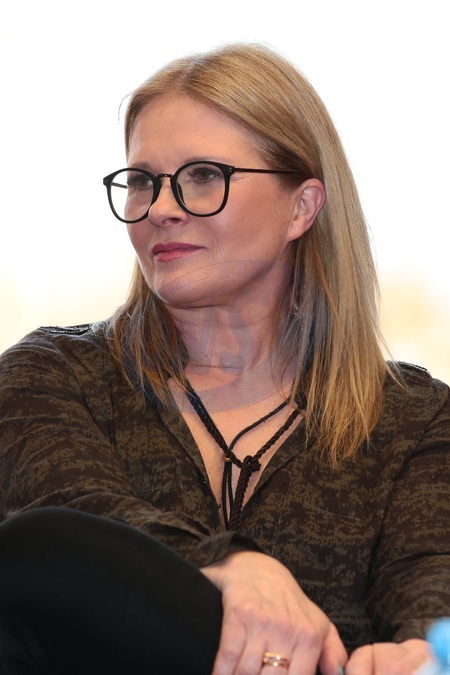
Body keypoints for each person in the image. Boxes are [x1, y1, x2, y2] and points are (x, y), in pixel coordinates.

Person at [0, 42, 448, 675]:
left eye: (204, 176)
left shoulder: (417, 418)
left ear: (302, 207)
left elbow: (432, 583)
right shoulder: (49, 375)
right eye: (142, 181)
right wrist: (232, 565)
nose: (160, 209)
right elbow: (68, 525)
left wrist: (416, 654)